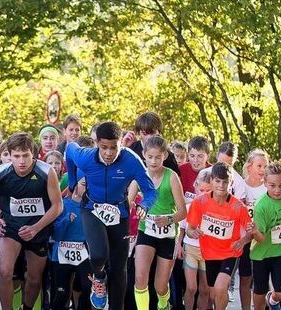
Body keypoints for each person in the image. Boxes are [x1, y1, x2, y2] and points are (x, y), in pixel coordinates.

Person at [65, 121, 158, 309]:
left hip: (120, 213)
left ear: (121, 144)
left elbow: (150, 191)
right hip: (92, 208)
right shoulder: (86, 157)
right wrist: (73, 181)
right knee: (98, 254)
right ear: (97, 143)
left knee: (119, 268)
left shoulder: (131, 160)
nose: (108, 152)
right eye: (103, 147)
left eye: (113, 147)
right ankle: (99, 278)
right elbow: (70, 149)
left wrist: (145, 206)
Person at [0, 132, 62, 310]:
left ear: (34, 154)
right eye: (16, 156)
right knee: (5, 272)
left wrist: (36, 228)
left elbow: (57, 206)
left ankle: (27, 307)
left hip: (37, 229)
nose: (21, 161)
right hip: (11, 227)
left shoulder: (47, 172)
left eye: (25, 156)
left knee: (34, 278)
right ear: (9, 155)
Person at [186, 162, 253, 310]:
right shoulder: (200, 202)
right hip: (209, 254)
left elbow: (250, 232)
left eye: (225, 182)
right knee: (213, 293)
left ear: (231, 183)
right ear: (211, 181)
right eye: (217, 181)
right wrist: (193, 232)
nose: (221, 186)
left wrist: (242, 241)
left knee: (221, 287)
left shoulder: (238, 206)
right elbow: (189, 229)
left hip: (230, 252)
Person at [133, 136, 187, 310]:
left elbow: (183, 212)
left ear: (164, 156)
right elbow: (128, 202)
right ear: (144, 155)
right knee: (140, 278)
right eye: (150, 157)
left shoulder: (171, 177)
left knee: (160, 286)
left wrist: (168, 219)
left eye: (158, 157)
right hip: (146, 230)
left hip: (167, 234)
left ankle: (164, 304)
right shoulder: (139, 176)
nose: (153, 161)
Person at [250, 161, 281, 310]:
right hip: (261, 254)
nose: (277, 190)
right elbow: (260, 238)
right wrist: (255, 232)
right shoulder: (261, 206)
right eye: (272, 186)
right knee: (259, 291)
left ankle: (271, 300)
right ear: (264, 183)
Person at [51, 169, 92, 309]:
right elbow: (55, 235)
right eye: (84, 184)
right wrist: (67, 220)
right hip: (61, 254)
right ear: (74, 185)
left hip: (84, 253)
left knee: (87, 288)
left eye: (90, 184)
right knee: (62, 293)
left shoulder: (92, 206)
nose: (87, 187)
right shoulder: (62, 204)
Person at [237, 149, 269, 310]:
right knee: (245, 277)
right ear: (249, 166)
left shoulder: (267, 189)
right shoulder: (240, 185)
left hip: (262, 238)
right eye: (259, 165)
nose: (263, 169)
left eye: (265, 166)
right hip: (244, 239)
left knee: (262, 277)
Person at [181, 169, 212, 310]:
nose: (204, 194)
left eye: (208, 190)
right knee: (192, 287)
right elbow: (182, 229)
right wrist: (178, 245)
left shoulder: (216, 210)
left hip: (208, 252)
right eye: (201, 190)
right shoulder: (189, 207)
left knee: (205, 289)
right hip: (191, 250)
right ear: (195, 186)